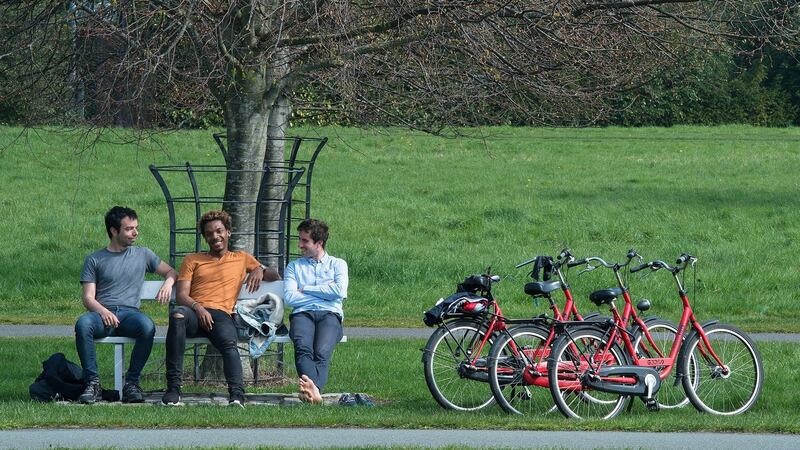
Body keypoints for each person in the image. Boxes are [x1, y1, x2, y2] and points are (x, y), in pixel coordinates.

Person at [162, 210, 280, 407]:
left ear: (228, 232)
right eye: (209, 233)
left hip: (221, 315)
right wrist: (198, 308)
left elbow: (275, 276)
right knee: (177, 315)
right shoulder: (192, 260)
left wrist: (260, 268)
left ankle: (236, 396)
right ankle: (173, 389)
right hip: (194, 312)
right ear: (205, 237)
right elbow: (182, 295)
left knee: (228, 343)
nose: (215, 236)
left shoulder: (241, 258)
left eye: (219, 231)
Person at [76, 206, 177, 404]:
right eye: (129, 229)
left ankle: (132, 383)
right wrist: (103, 311)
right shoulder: (94, 259)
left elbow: (171, 271)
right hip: (102, 316)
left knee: (147, 326)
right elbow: (88, 298)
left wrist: (168, 283)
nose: (135, 232)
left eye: (136, 228)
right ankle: (93, 384)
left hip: (130, 315)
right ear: (114, 231)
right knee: (83, 325)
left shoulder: (143, 254)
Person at [284, 219, 348, 403]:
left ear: (319, 243)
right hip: (302, 314)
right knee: (303, 348)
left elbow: (339, 292)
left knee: (322, 351)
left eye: (305, 241)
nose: (300, 245)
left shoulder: (338, 264)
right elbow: (290, 298)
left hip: (330, 314)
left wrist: (306, 288)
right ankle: (316, 393)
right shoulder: (294, 267)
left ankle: (313, 391)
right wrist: (324, 291)